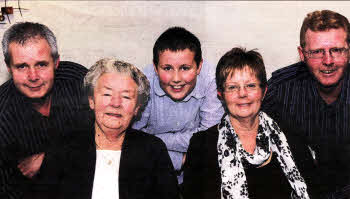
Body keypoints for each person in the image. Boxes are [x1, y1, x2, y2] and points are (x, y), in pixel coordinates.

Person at [183, 47, 311, 199]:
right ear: (221, 95)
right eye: (232, 87)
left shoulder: (291, 136)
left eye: (250, 86)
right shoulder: (201, 145)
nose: (242, 94)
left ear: (264, 92)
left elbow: (314, 190)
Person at [44, 58, 179, 199]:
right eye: (107, 94)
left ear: (137, 108)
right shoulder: (63, 147)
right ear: (92, 101)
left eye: (126, 97)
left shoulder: (153, 150)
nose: (115, 103)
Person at [262, 10, 350, 198]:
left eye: (336, 50)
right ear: (302, 54)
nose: (328, 61)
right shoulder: (281, 89)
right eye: (317, 52)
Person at [0, 22, 88, 199]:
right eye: (22, 66)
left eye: (41, 64)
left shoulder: (79, 80)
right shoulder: (2, 113)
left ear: (56, 62)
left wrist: (51, 157)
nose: (33, 77)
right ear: (9, 67)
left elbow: (113, 135)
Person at [132, 27, 224, 183]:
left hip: (200, 171)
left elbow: (208, 140)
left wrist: (154, 140)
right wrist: (180, 160)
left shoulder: (211, 79)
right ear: (155, 68)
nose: (176, 78)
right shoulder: (142, 83)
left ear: (199, 67)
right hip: (149, 170)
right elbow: (132, 141)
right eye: (167, 68)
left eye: (185, 68)